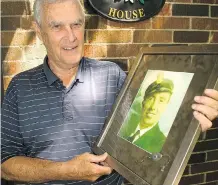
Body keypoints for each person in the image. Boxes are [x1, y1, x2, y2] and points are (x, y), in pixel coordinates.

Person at [1, 0, 218, 185]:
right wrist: (65, 170)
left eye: (76, 24)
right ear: (39, 32)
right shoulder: (19, 87)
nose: (72, 36)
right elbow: (4, 164)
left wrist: (189, 124)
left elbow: (145, 136)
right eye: (57, 26)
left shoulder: (112, 76)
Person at [121, 73, 174, 153]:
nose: (153, 107)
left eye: (161, 101)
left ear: (165, 107)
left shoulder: (161, 143)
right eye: (151, 98)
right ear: (143, 102)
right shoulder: (124, 128)